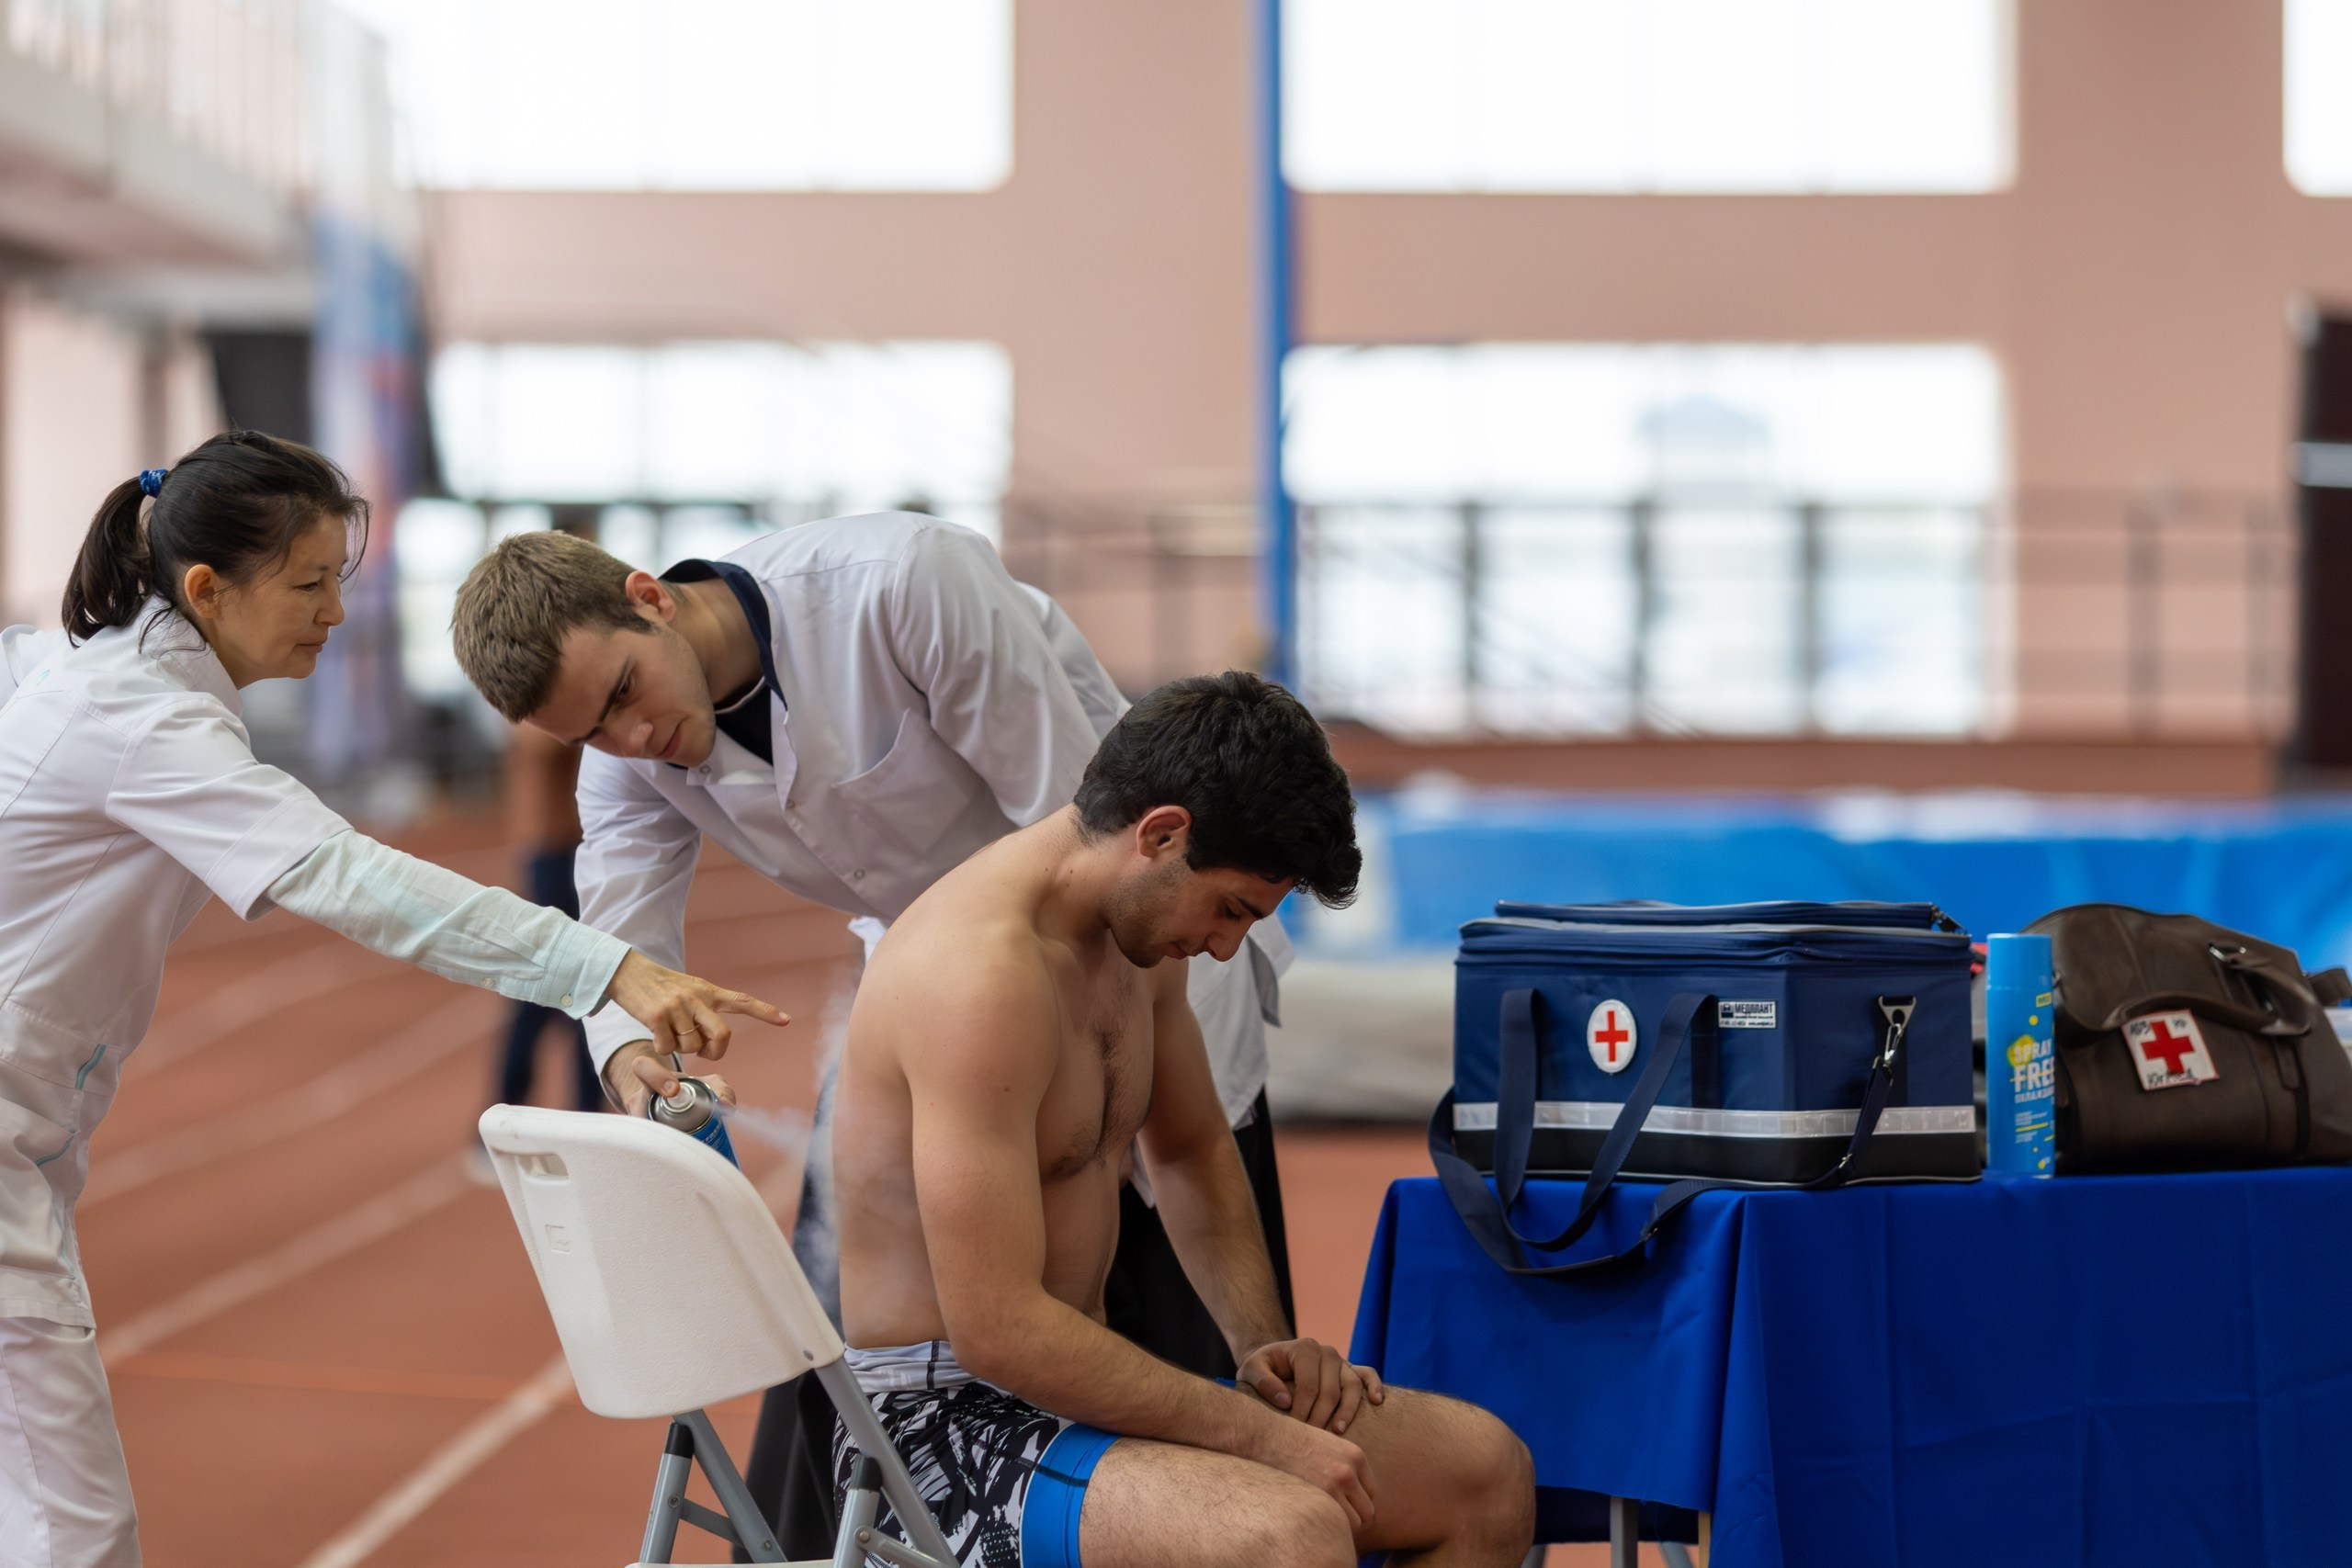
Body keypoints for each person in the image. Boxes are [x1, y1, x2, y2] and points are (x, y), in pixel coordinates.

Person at [0, 431, 786, 1566]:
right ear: (208, 591)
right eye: (308, 585)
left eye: (340, 580)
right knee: (72, 1531)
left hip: (28, 1137)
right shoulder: (139, 719)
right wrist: (602, 965)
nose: (335, 612)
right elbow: (350, 878)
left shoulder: (94, 679)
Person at [448, 516, 1298, 1546]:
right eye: (590, 733)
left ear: (650, 596)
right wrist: (633, 1058)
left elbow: (1088, 832)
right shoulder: (625, 758)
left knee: (1172, 1339)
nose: (630, 740)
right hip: (935, 991)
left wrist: (1064, 1063)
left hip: (1130, 944)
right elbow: (618, 948)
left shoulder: (902, 586)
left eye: (625, 692)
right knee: (840, 1334)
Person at [835, 671, 1535, 1568]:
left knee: (1481, 1471)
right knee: (1290, 1532)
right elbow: (997, 1327)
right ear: (1161, 835)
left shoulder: (1138, 939)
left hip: (1077, 1396)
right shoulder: (977, 979)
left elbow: (1193, 1151)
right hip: (936, 1429)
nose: (1225, 946)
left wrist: (1266, 1348)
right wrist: (1265, 1439)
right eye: (1231, 908)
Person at [491, 722, 601, 1114]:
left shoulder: (533, 712)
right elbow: (547, 744)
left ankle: (585, 1111)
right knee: (552, 988)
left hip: (565, 851)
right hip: (553, 855)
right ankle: (508, 1105)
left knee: (580, 988)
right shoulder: (535, 717)